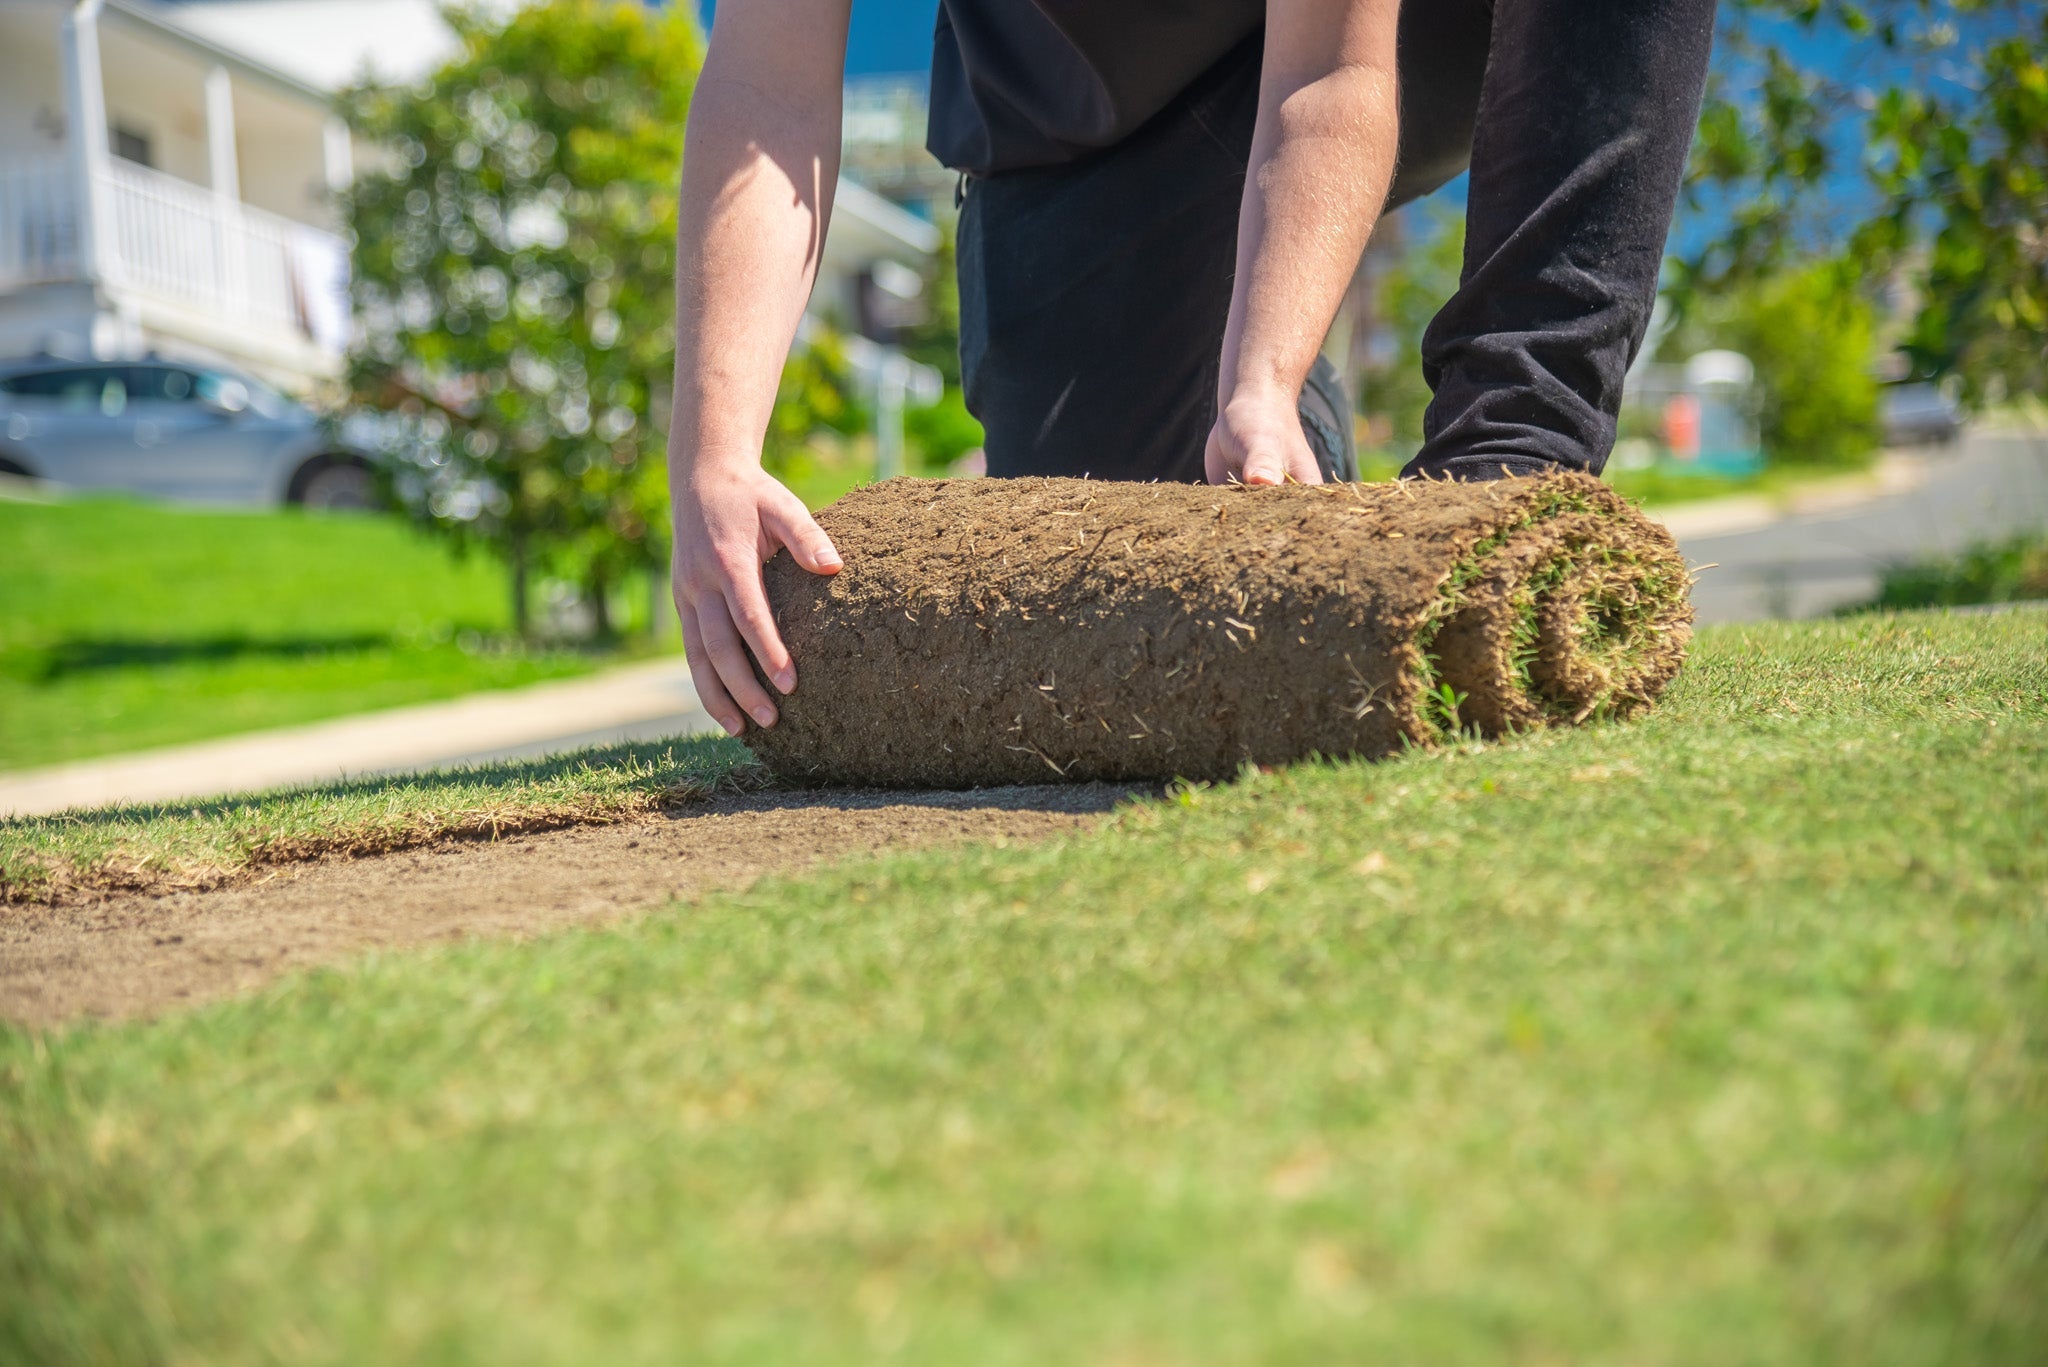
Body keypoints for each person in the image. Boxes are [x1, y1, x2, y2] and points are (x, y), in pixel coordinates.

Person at [668, 0, 1718, 738]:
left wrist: (1260, 378)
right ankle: (1310, 470)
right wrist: (714, 454)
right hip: (1082, 123)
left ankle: (1509, 450)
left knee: (1281, 445)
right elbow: (768, 85)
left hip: (1402, 37)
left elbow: (1327, 69)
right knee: (1138, 625)